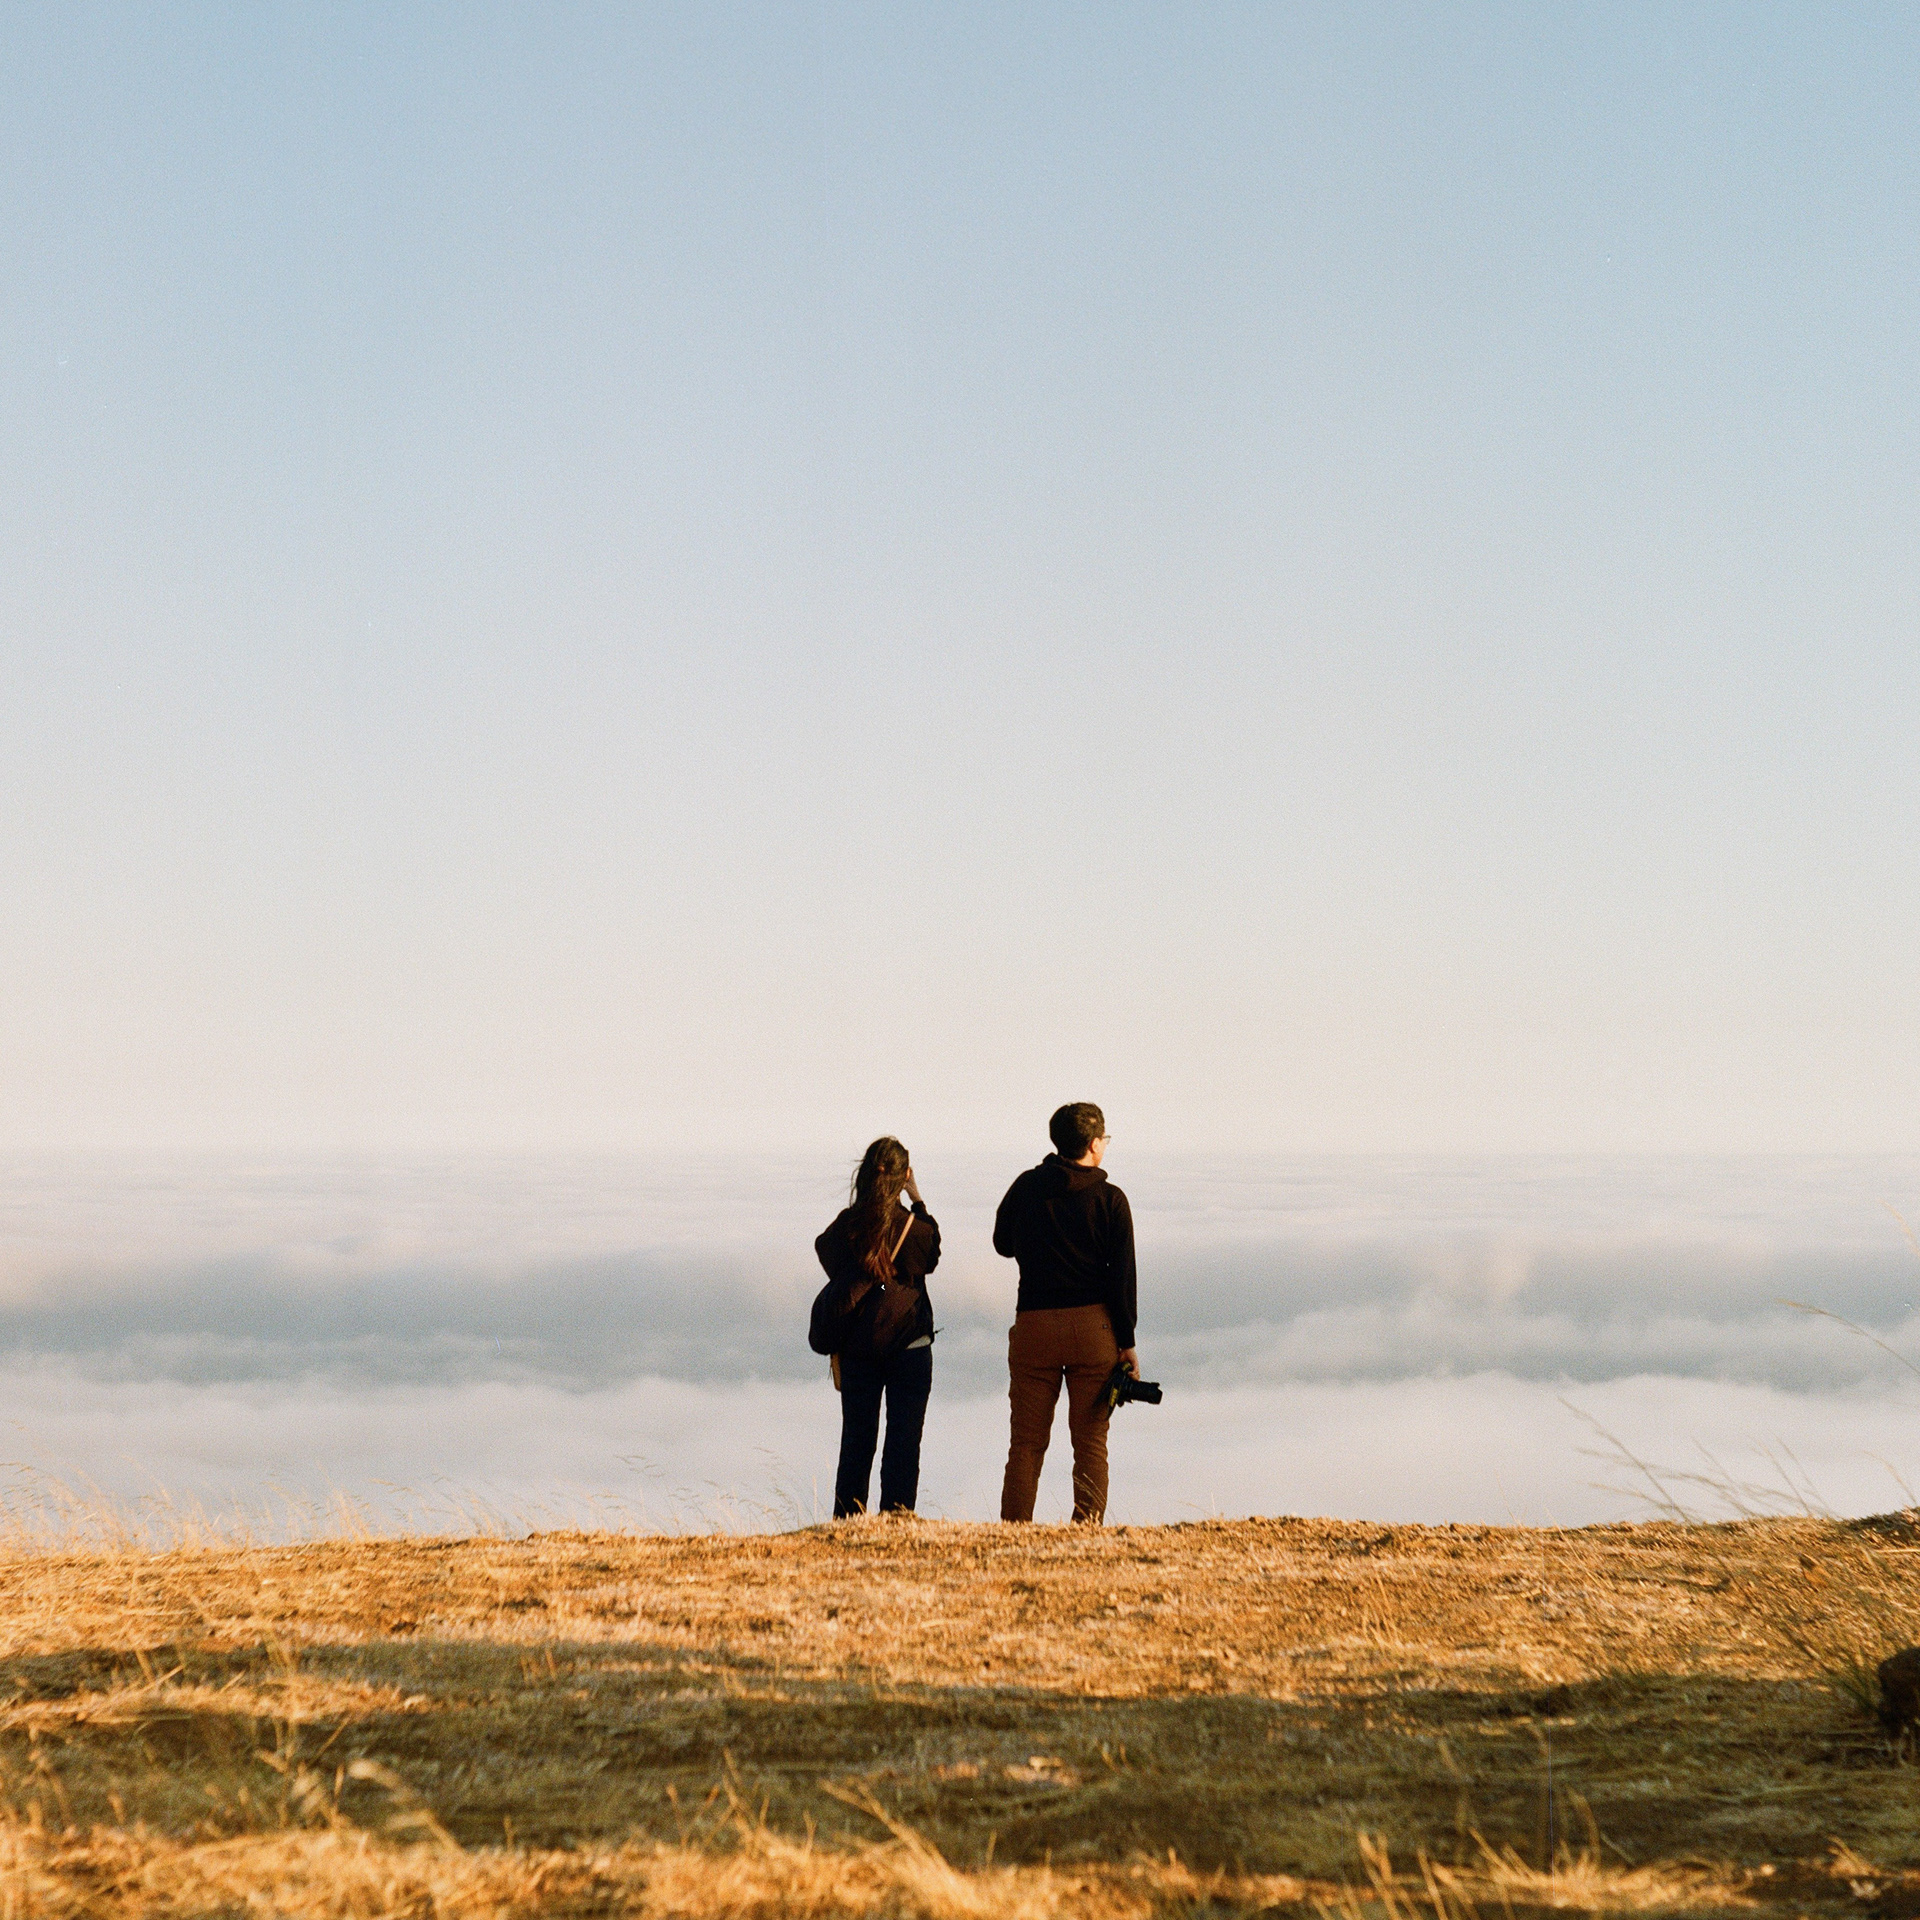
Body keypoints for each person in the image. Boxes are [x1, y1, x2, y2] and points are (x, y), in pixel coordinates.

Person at [993, 1102, 1138, 1524]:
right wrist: (1126, 1342)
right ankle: (1085, 1532)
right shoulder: (1110, 1199)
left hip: (1035, 1323)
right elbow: (1123, 1278)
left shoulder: (1026, 1186)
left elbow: (1002, 1243)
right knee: (1091, 1441)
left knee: (1026, 1442)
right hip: (1094, 1328)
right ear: (1094, 1145)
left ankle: (1014, 1530)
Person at [810, 1136, 940, 1518]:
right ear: (904, 1176)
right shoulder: (914, 1228)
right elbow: (930, 1255)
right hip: (909, 1346)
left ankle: (847, 1518)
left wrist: (861, 1271)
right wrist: (917, 1199)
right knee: (904, 1439)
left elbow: (824, 1250)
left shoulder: (849, 1225)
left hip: (857, 1348)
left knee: (856, 1440)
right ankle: (898, 1517)